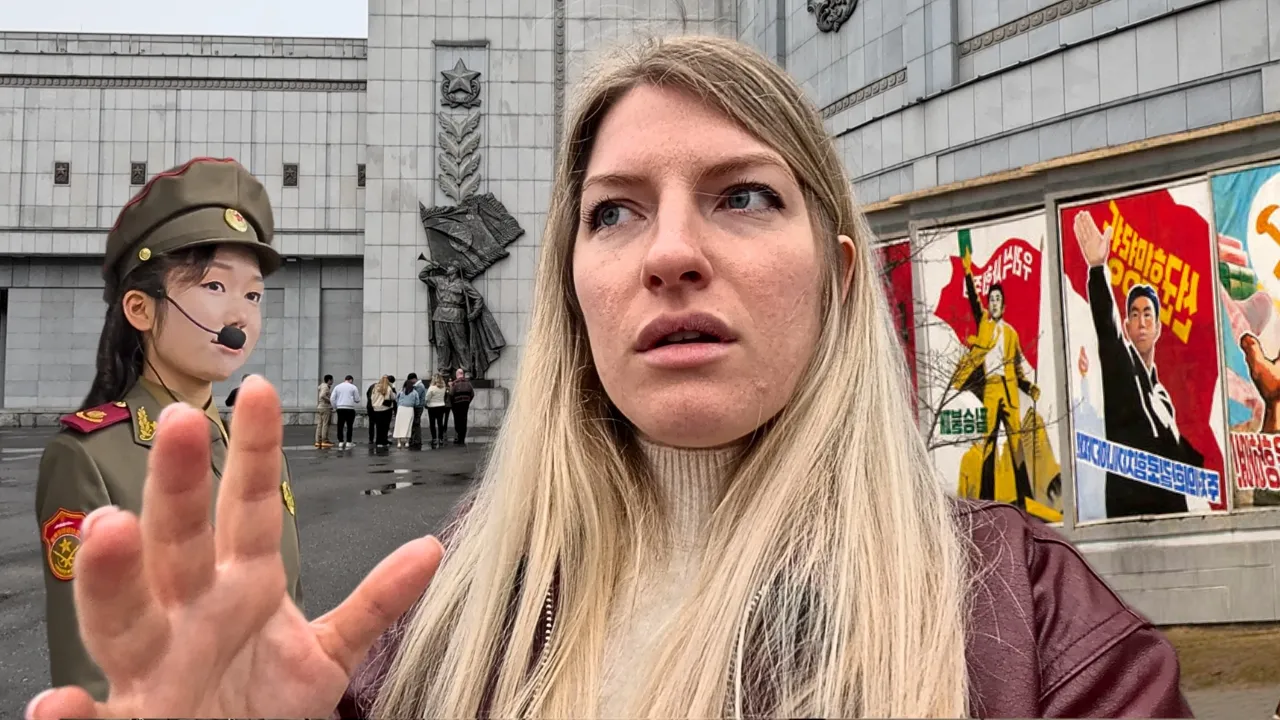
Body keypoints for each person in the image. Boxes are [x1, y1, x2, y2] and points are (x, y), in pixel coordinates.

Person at [22, 36, 1191, 720]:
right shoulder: (441, 614)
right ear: (573, 292)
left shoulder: (1039, 635)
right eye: (614, 212)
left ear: (839, 277)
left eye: (742, 196)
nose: (670, 253)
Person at [30, 157, 304, 704]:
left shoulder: (254, 452)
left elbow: (287, 613)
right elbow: (91, 673)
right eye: (214, 286)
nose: (240, 315)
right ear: (139, 308)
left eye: (252, 295)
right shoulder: (89, 457)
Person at [1073, 211, 1203, 518]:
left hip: (1173, 519)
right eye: (1134, 314)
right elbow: (1108, 331)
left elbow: (1181, 457)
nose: (1141, 322)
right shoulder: (1122, 370)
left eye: (1148, 314)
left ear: (1158, 328)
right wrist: (1097, 269)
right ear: (1127, 327)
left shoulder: (1162, 396)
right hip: (1130, 518)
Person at [330, 374, 361, 450]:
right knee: (349, 426)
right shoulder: (353, 387)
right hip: (350, 408)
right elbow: (357, 399)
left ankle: (340, 441)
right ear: (351, 380)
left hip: (340, 408)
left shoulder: (337, 387)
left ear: (345, 379)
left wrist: (335, 406)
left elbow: (332, 398)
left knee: (340, 425)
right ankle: (348, 442)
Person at [392, 377, 421, 448]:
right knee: (408, 425)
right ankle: (407, 442)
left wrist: (400, 403)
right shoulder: (414, 392)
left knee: (399, 425)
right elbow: (417, 403)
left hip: (401, 409)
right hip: (410, 409)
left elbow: (396, 399)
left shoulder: (401, 391)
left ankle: (399, 442)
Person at [368, 375, 395, 450]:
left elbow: (372, 397)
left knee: (378, 426)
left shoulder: (375, 388)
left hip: (376, 409)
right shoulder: (388, 388)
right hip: (386, 408)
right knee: (385, 426)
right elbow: (392, 397)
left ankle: (378, 442)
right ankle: (384, 441)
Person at [448, 368, 473, 445]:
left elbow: (451, 394)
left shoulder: (454, 383)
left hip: (457, 404)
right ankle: (462, 438)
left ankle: (458, 437)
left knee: (457, 420)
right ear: (463, 374)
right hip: (465, 404)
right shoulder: (468, 383)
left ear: (457, 375)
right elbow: (472, 394)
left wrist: (452, 404)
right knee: (464, 420)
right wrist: (468, 401)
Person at [424, 374, 448, 448]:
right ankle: (440, 438)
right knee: (440, 423)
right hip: (441, 406)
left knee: (432, 423)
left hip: (432, 407)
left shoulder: (431, 388)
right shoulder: (443, 387)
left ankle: (434, 439)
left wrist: (426, 403)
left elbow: (427, 398)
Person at [406, 373, 426, 449]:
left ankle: (417, 440)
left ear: (414, 379)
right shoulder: (417, 386)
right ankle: (415, 439)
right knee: (415, 423)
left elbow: (415, 396)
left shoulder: (419, 386)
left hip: (418, 407)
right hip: (417, 407)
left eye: (410, 380)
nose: (410, 382)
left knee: (416, 423)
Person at [315, 374, 334, 449]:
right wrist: (330, 400)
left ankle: (318, 440)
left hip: (320, 407)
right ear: (329, 380)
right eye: (332, 380)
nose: (332, 381)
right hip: (325, 407)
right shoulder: (325, 387)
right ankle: (324, 440)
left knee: (320, 424)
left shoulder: (322, 386)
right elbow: (322, 395)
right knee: (325, 424)